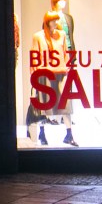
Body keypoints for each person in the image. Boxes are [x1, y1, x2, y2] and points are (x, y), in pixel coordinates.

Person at [30, 13, 79, 146]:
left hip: (60, 73)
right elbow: (34, 55)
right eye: (53, 20)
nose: (56, 22)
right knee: (43, 105)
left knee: (65, 103)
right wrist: (33, 76)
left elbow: (64, 52)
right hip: (44, 74)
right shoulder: (38, 36)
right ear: (47, 21)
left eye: (56, 19)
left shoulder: (61, 35)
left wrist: (67, 67)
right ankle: (42, 133)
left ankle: (69, 134)